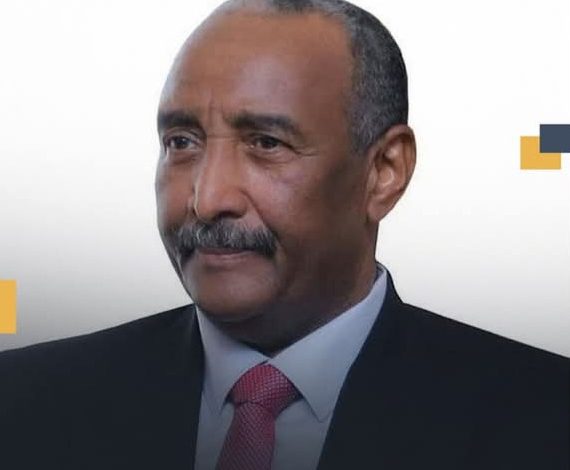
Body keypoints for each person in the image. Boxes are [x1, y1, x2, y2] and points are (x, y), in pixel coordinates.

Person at [0, 1, 568, 469]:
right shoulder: (24, 403)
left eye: (265, 144)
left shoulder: (544, 421)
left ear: (383, 172)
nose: (207, 198)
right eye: (182, 142)